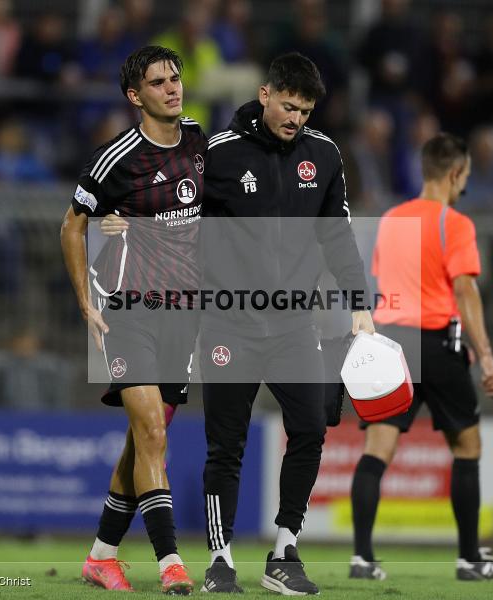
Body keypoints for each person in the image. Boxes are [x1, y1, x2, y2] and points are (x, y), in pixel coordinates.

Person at [198, 52, 373, 595]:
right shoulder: (219, 154)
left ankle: (284, 551)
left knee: (312, 427)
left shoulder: (324, 155)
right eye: (289, 107)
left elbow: (337, 233)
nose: (296, 119)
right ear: (265, 94)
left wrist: (360, 303)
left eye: (306, 111)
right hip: (229, 323)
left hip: (295, 324)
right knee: (226, 445)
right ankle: (220, 561)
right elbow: (180, 220)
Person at [60, 45, 205, 594]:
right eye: (158, 82)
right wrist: (85, 302)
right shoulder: (115, 158)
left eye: (175, 78)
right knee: (151, 432)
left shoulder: (198, 141)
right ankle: (171, 565)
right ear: (135, 96)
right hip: (127, 310)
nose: (172, 87)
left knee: (144, 441)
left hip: (181, 315)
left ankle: (101, 556)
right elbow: (71, 226)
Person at [349, 133, 493, 581]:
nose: (465, 185)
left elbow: (381, 280)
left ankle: (362, 558)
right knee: (467, 446)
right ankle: (469, 559)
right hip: (436, 341)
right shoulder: (454, 224)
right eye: (466, 176)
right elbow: (465, 290)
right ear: (456, 173)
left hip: (389, 342)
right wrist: (486, 355)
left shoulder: (391, 219)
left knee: (377, 448)